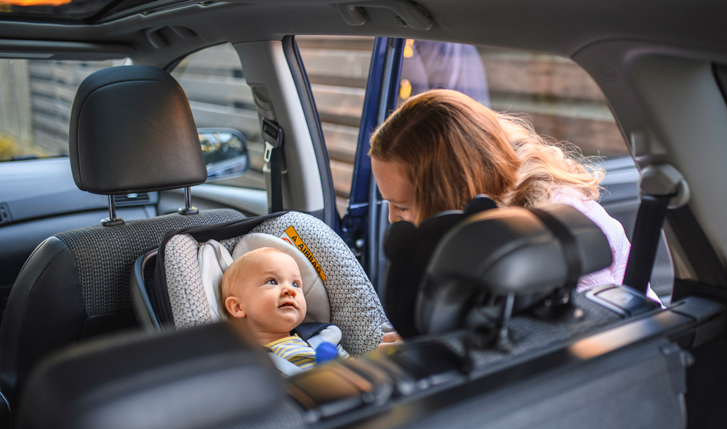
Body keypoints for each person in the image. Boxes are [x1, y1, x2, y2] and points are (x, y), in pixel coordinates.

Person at [370, 89, 655, 345]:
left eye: (403, 206)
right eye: (388, 204)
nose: (393, 218)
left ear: (450, 192)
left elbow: (585, 335)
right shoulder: (471, 225)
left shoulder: (547, 230)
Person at [221, 247, 349, 371]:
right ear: (238, 307)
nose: (290, 290)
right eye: (272, 282)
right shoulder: (246, 365)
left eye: (295, 284)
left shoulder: (323, 336)